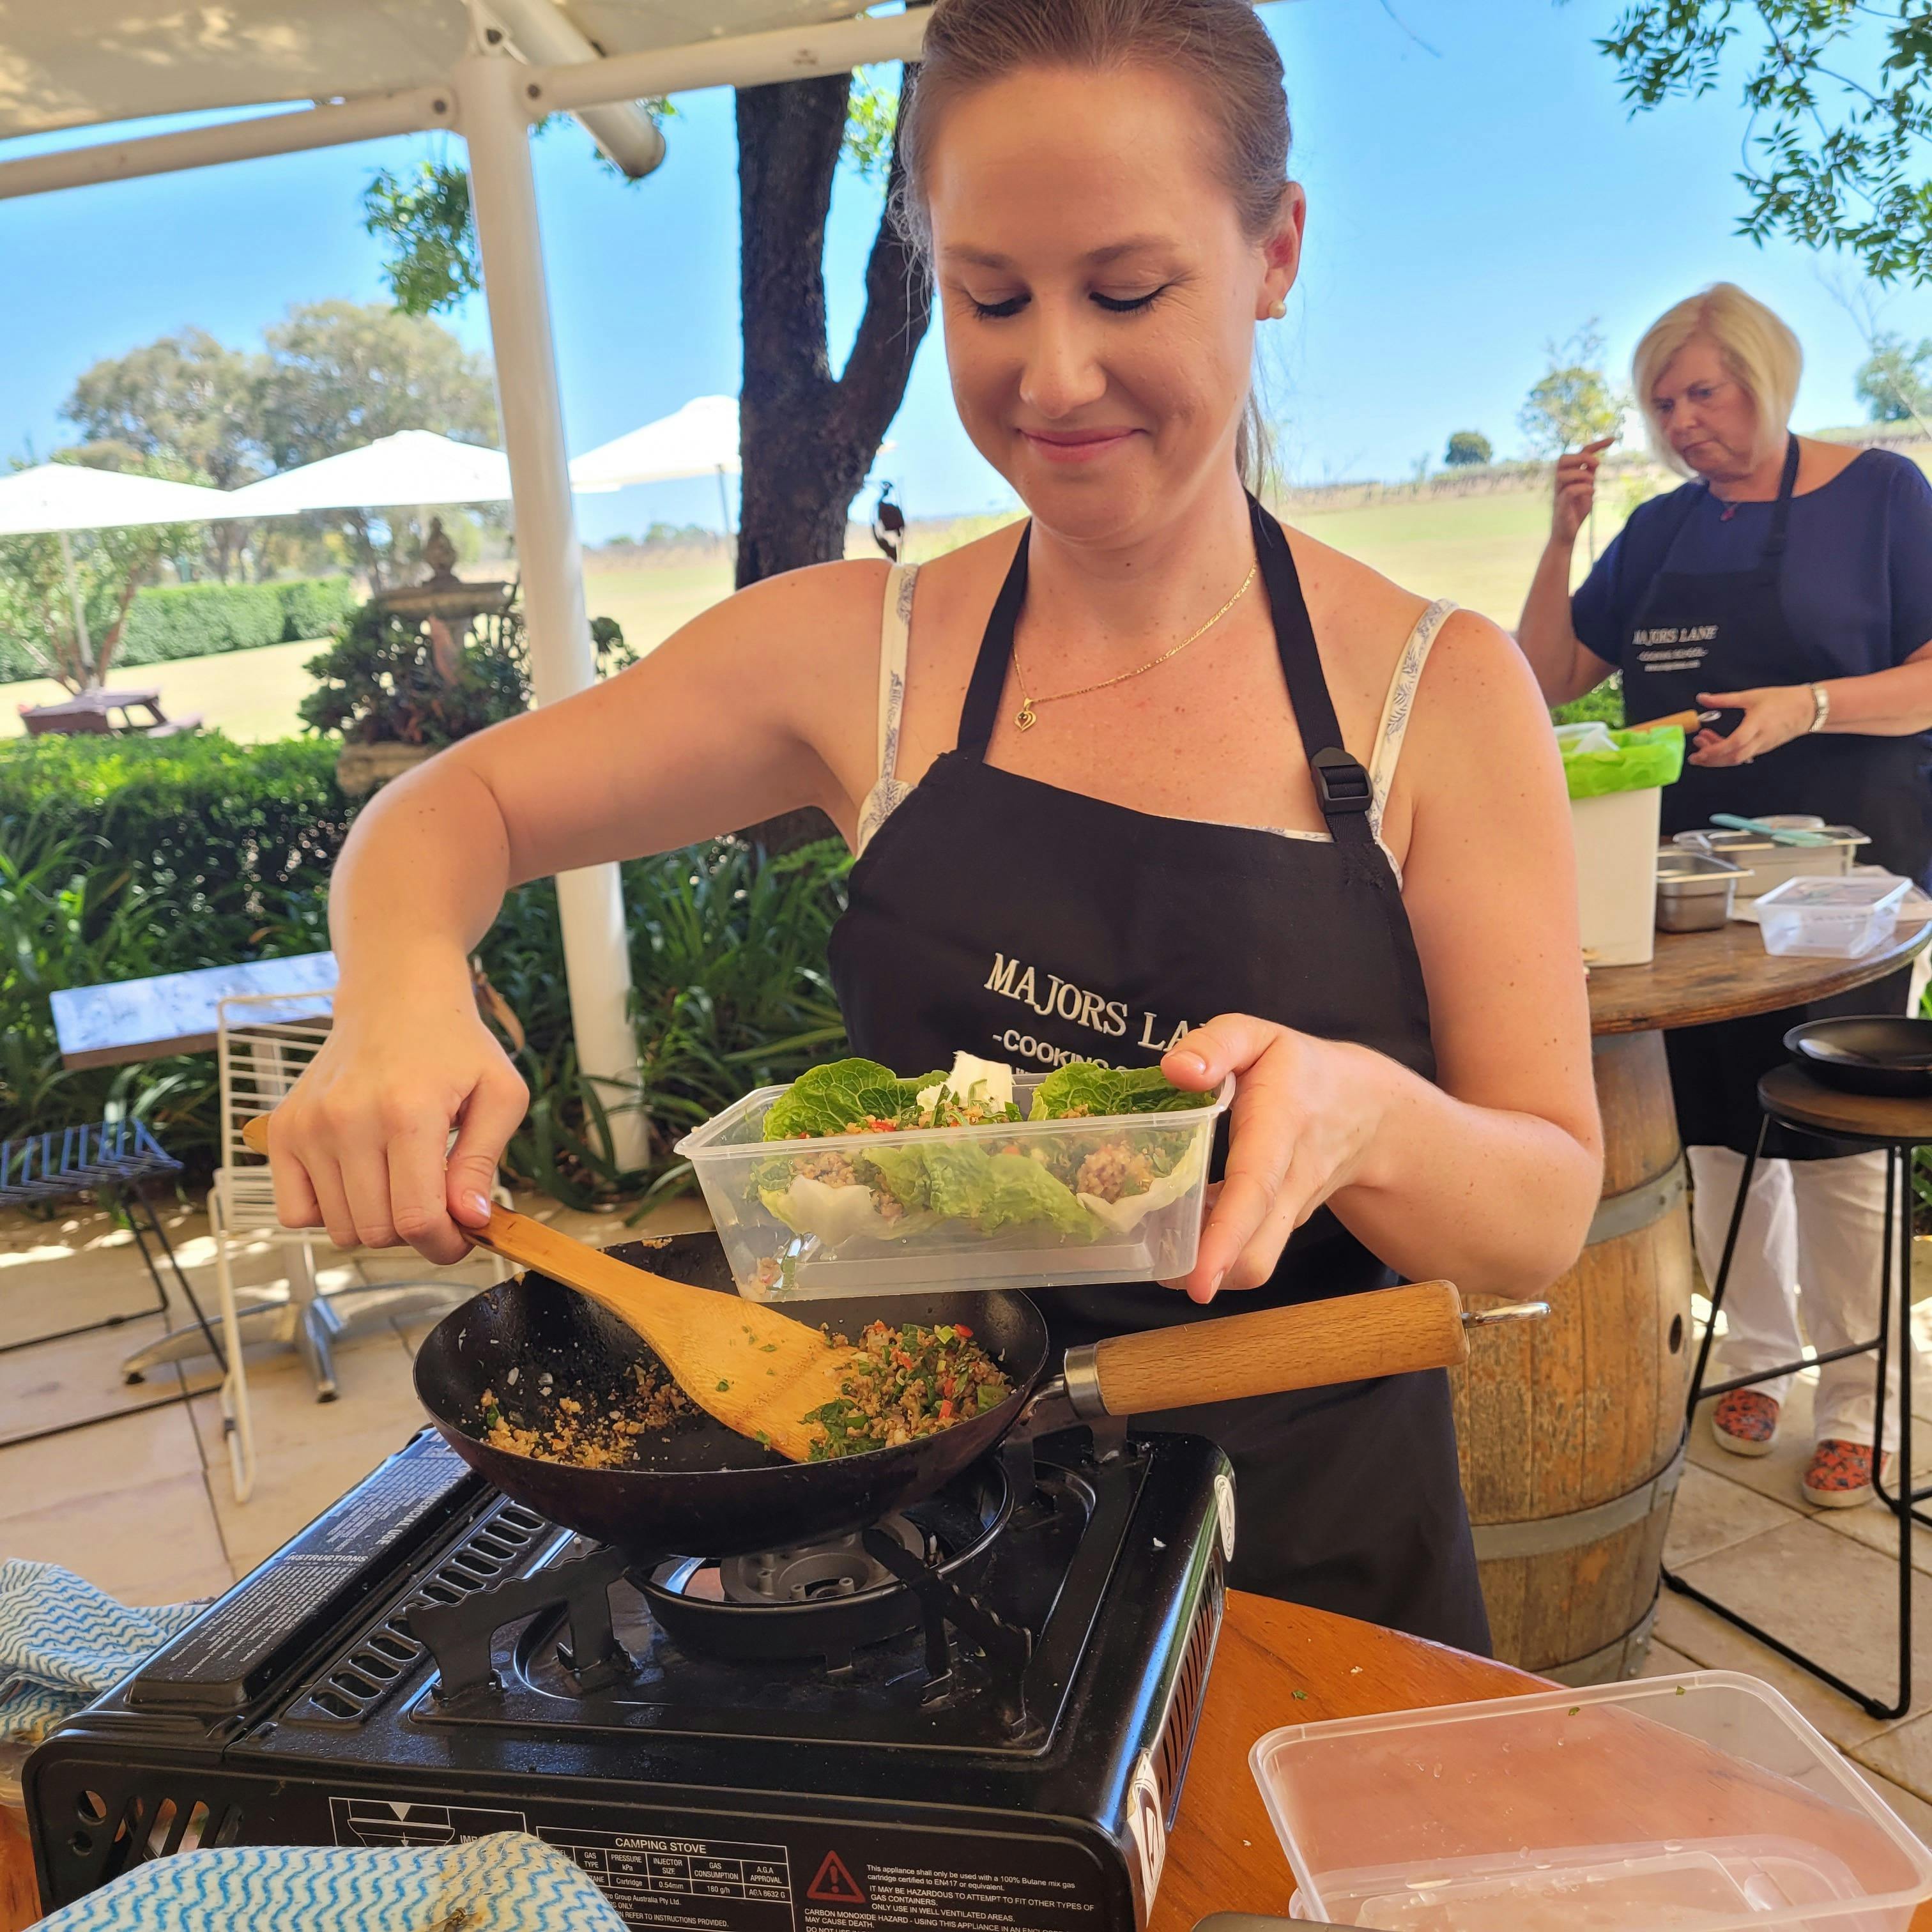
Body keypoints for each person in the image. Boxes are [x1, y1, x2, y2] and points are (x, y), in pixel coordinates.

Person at [266, 0, 1600, 1648]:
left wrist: (1369, 1121)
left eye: (1128, 290)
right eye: (989, 296)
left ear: (1275, 250)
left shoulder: (1439, 696)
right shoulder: (858, 655)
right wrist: (398, 981)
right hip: (911, 1549)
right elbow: (447, 805)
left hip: (1317, 1587)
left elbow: (1541, 1211)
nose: (1053, 372)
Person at [1516, 282, 1932, 1507]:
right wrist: (1561, 537)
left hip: (1850, 879)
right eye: (1662, 401)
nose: (1683, 419)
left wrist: (1804, 705)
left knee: (1838, 1133)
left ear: (1768, 376)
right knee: (1716, 1124)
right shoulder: (1658, 532)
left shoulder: (1884, 498)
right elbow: (1542, 679)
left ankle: (1867, 1400)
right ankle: (1754, 1353)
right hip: (1689, 890)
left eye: (1707, 390)